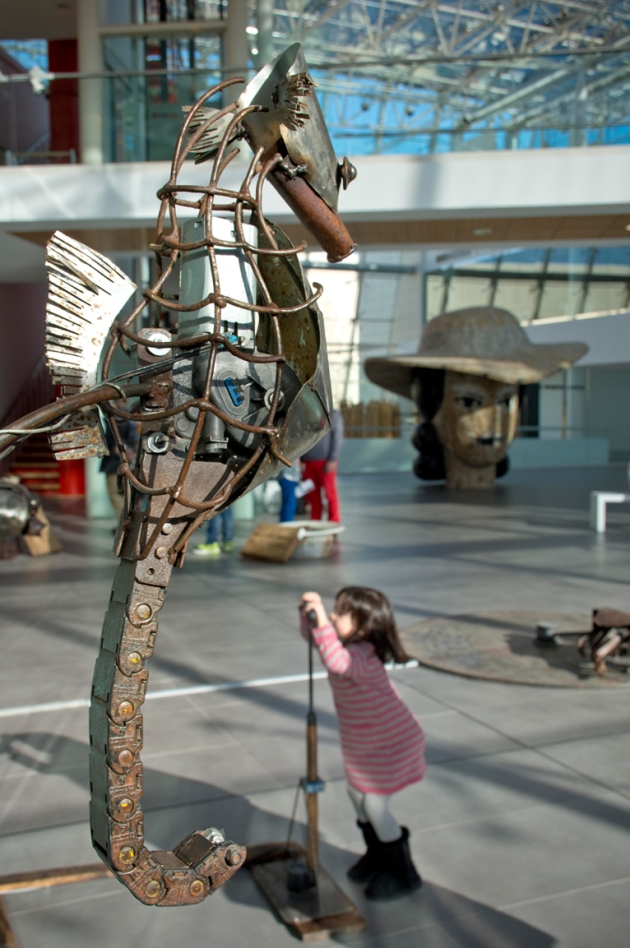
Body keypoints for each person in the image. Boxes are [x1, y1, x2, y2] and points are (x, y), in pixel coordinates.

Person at [300, 586, 425, 901]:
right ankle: (378, 854)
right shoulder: (344, 647)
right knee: (356, 793)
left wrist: (322, 622)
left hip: (392, 742)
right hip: (367, 743)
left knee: (373, 803)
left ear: (365, 627)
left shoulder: (362, 658)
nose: (333, 615)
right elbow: (318, 641)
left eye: (341, 613)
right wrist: (309, 617)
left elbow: (335, 661)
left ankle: (402, 871)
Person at [301, 408, 343, 522]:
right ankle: (315, 521)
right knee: (313, 496)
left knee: (330, 494)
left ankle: (333, 522)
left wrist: (332, 459)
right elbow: (301, 437)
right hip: (308, 463)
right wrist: (300, 459)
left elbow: (337, 438)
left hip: (325, 462)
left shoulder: (333, 414)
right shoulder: (307, 413)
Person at [100, 412, 139, 518]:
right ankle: (126, 521)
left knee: (116, 493)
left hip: (116, 464)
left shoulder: (118, 421)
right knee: (125, 494)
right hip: (123, 464)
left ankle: (123, 522)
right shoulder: (128, 421)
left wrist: (126, 450)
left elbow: (115, 445)